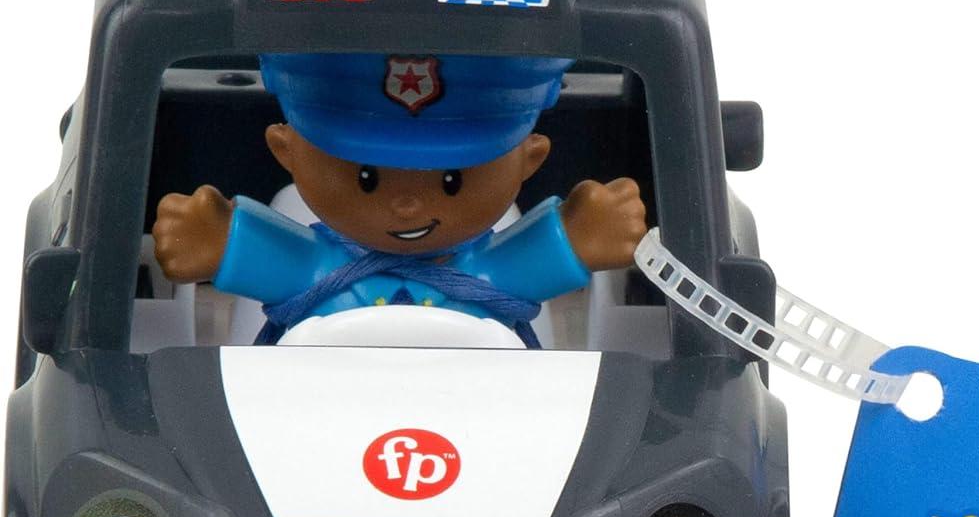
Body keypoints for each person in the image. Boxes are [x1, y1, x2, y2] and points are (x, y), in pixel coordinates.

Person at [151, 52, 647, 344]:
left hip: (486, 420)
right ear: (287, 151)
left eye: (450, 180)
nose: (408, 205)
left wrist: (582, 234)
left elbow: (543, 254)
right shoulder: (315, 272)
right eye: (367, 176)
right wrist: (217, 239)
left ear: (529, 160)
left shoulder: (490, 276)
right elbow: (266, 256)